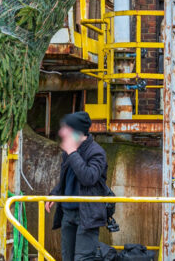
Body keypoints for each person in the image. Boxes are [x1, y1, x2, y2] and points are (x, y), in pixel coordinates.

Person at [47, 111, 109, 261]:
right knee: (67, 257)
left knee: (83, 258)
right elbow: (66, 178)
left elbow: (89, 178)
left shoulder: (96, 152)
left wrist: (73, 153)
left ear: (77, 131)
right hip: (68, 213)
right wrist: (54, 194)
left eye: (66, 129)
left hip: (87, 214)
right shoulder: (68, 152)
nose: (61, 132)